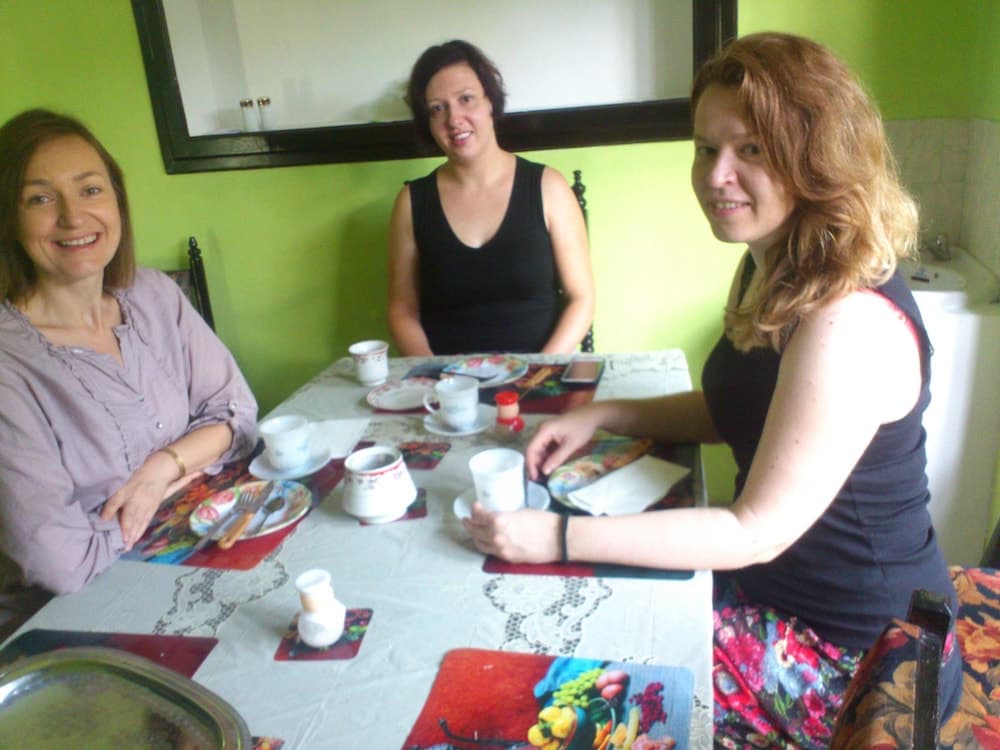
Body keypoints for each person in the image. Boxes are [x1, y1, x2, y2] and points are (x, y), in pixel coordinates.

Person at [464, 33, 961, 747]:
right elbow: (743, 411)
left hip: (862, 661)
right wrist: (603, 414)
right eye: (705, 149)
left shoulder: (846, 320)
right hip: (782, 599)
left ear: (817, 155)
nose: (716, 176)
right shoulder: (776, 263)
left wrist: (558, 537)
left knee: (574, 687)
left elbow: (752, 530)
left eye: (751, 149)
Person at [0, 109, 258, 635]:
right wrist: (175, 481)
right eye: (40, 199)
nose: (73, 217)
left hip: (194, 550)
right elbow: (61, 562)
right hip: (69, 619)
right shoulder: (10, 362)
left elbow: (236, 415)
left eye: (90, 190)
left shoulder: (153, 293)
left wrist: (162, 468)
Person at [387, 39, 595, 356]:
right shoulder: (411, 202)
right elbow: (402, 311)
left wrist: (538, 370)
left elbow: (582, 299)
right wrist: (433, 375)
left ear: (490, 101)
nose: (454, 119)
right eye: (437, 108)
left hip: (539, 374)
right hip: (445, 381)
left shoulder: (548, 187)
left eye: (466, 99)